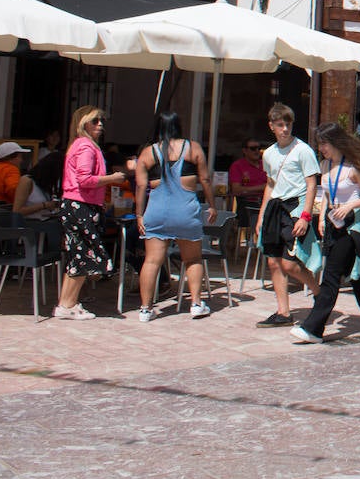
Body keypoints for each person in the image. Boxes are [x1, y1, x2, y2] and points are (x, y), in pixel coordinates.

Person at [290, 123, 360, 344]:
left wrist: (350, 205)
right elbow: (326, 194)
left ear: (335, 142)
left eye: (324, 143)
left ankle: (313, 328)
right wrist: (323, 216)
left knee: (331, 275)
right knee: (351, 272)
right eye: (320, 143)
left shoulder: (352, 168)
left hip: (352, 228)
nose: (321, 148)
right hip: (333, 224)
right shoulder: (325, 165)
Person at [133, 113, 216, 321]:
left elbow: (141, 186)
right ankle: (196, 304)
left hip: (156, 211)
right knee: (193, 259)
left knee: (151, 261)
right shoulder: (193, 148)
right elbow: (205, 179)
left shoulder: (147, 153)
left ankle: (145, 309)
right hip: (185, 212)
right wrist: (212, 205)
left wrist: (139, 215)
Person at [55, 107, 129, 319]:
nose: (100, 125)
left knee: (77, 256)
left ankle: (66, 304)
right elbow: (84, 179)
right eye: (95, 121)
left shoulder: (81, 145)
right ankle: (67, 305)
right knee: (83, 256)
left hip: (79, 204)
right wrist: (113, 178)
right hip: (80, 206)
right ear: (84, 123)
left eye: (101, 121)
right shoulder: (86, 146)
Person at [254, 103, 321, 328]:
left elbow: (312, 185)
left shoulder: (303, 150)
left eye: (288, 124)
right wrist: (262, 216)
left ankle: (319, 294)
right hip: (276, 208)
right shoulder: (270, 153)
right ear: (272, 126)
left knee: (290, 264)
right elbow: (270, 184)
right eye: (280, 125)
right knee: (273, 262)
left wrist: (305, 216)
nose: (285, 129)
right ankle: (283, 312)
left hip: (295, 208)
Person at [228, 138, 269, 228]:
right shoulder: (238, 166)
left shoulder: (266, 164)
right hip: (247, 204)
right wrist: (262, 187)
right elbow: (236, 190)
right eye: (253, 148)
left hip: (267, 202)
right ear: (245, 150)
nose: (257, 151)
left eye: (259, 148)